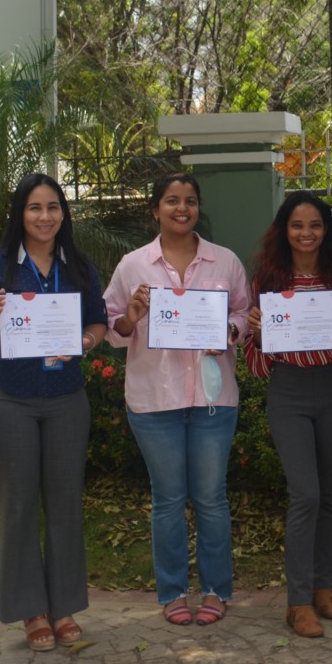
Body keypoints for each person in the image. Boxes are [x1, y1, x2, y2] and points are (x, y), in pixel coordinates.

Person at [105, 173, 249, 627]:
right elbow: (113, 329)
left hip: (212, 395)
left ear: (197, 207)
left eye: (189, 201)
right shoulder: (132, 265)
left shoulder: (224, 261)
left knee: (210, 498)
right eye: (171, 201)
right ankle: (171, 593)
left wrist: (229, 331)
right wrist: (130, 314)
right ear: (155, 209)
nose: (181, 208)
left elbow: (243, 312)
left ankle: (214, 590)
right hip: (154, 399)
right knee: (168, 499)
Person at [0, 173, 108, 652]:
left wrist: (87, 341)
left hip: (67, 400)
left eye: (53, 207)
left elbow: (98, 321)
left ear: (63, 214)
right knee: (20, 506)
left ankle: (64, 606)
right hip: (9, 400)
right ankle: (32, 611)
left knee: (66, 505)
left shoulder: (79, 268)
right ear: (20, 214)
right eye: (35, 208)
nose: (45, 217)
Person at [243, 192, 332, 638]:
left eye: (315, 225)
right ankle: (296, 601)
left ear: (326, 230)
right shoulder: (268, 280)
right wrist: (257, 335)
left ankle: (321, 585)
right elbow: (257, 367)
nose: (306, 233)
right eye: (297, 225)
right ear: (284, 230)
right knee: (306, 495)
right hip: (289, 394)